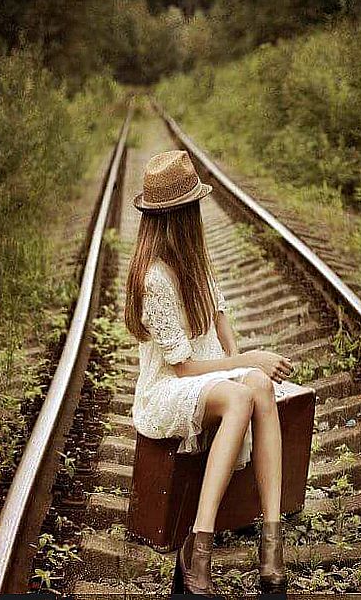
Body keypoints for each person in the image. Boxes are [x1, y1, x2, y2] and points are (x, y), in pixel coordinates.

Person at [125, 150, 293, 596]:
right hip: (168, 390)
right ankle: (199, 548)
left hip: (210, 377)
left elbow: (223, 329)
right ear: (180, 216)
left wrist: (246, 365)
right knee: (242, 391)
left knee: (256, 388)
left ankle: (271, 545)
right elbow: (183, 367)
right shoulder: (154, 278)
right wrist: (245, 363)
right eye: (192, 209)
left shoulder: (199, 260)